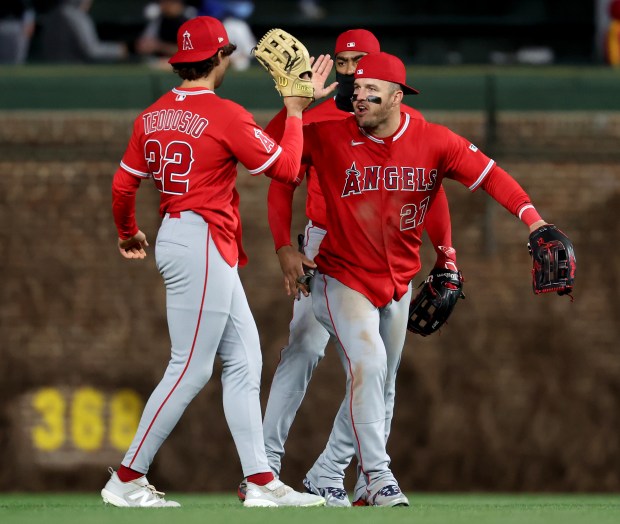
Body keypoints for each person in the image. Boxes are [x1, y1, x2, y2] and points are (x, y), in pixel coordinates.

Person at [297, 51, 560, 506]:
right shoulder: (325, 136)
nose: (358, 97)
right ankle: (379, 477)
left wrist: (534, 222)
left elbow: (492, 176)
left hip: (398, 281)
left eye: (370, 91)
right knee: (370, 365)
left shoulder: (434, 141)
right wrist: (294, 109)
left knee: (382, 380)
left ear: (397, 97)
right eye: (355, 90)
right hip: (341, 275)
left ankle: (328, 473)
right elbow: (267, 156)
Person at [100, 15, 325, 508]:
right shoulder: (225, 114)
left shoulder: (151, 114)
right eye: (227, 55)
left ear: (183, 62)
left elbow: (123, 186)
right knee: (190, 368)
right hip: (200, 241)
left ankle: (261, 483)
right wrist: (295, 110)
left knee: (244, 360)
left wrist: (127, 232)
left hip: (186, 238)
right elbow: (287, 168)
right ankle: (126, 476)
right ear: (220, 58)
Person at [237, 30, 459, 507]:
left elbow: (431, 191)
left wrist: (446, 255)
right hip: (323, 244)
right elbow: (267, 156)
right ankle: (265, 468)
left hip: (386, 250)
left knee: (380, 369)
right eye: (344, 62)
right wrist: (295, 106)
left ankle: (339, 471)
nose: (354, 71)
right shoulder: (317, 112)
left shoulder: (406, 122)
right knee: (303, 349)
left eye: (362, 62)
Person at [39, 0, 127, 63]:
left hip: (49, 68)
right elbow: (92, 51)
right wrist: (119, 50)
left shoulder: (52, 15)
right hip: (73, 71)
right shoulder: (76, 16)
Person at [136, 0, 196, 67]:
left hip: (186, 64)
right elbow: (143, 43)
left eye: (170, 2)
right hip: (159, 62)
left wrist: (159, 46)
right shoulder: (159, 19)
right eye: (163, 2)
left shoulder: (189, 20)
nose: (165, 5)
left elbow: (190, 51)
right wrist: (145, 45)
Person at [606, 0, 620, 65]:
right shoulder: (615, 2)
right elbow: (611, 11)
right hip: (616, 23)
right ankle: (615, 61)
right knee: (613, 43)